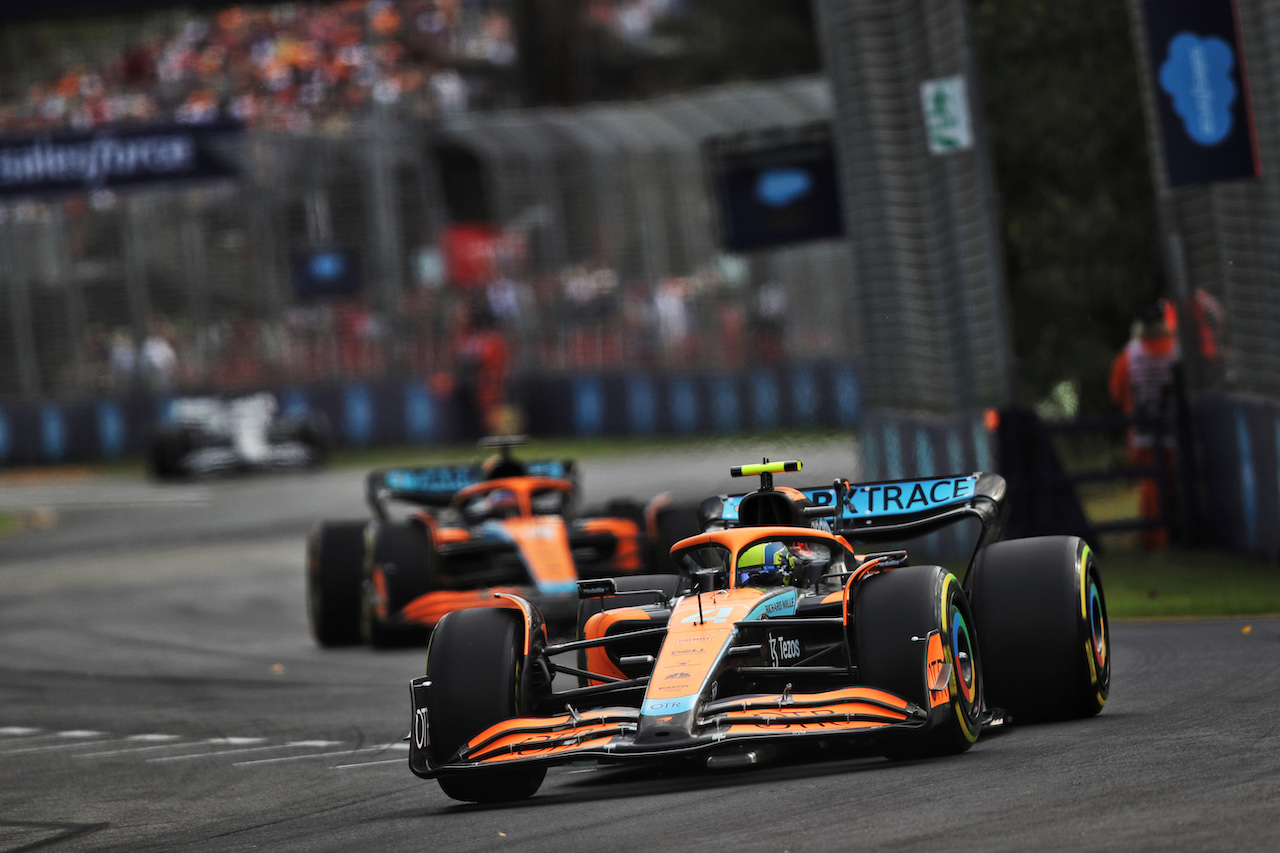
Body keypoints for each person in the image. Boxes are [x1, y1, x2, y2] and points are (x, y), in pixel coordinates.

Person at [1108, 304, 1179, 550]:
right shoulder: (1176, 349)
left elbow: (1117, 392)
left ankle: (1156, 539)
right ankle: (1179, 533)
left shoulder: (1130, 354)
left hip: (1142, 433)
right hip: (1176, 429)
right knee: (1177, 481)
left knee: (1151, 487)